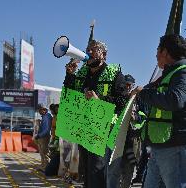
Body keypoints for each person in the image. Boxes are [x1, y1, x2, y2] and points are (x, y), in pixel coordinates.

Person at [64, 39, 127, 188]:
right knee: (86, 170)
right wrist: (70, 75)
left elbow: (122, 101)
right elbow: (69, 95)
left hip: (103, 130)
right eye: (88, 49)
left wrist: (101, 99)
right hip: (84, 129)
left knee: (98, 170)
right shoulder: (81, 73)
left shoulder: (114, 74)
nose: (89, 52)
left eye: (93, 49)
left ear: (103, 54)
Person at [132, 34, 186, 188]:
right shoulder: (169, 73)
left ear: (166, 52)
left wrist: (144, 93)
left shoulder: (182, 72)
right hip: (160, 145)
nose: (156, 54)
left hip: (173, 146)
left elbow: (176, 100)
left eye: (158, 50)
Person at [33, 103, 52, 169]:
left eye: (40, 110)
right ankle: (43, 165)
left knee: (44, 152)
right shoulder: (45, 117)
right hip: (42, 137)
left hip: (44, 137)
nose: (39, 112)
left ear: (44, 110)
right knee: (42, 153)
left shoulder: (47, 117)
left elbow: (47, 129)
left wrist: (39, 135)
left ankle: (46, 166)